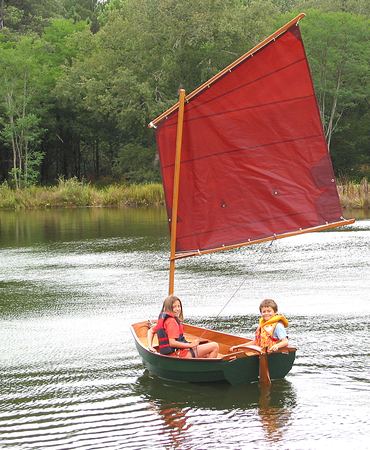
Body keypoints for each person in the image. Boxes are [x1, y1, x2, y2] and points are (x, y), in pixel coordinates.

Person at [147, 295, 219, 358]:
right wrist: (190, 345)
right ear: (168, 308)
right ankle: (206, 372)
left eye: (179, 306)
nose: (178, 309)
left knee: (206, 355)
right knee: (215, 346)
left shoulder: (164, 320)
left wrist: (150, 346)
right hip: (177, 354)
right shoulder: (172, 322)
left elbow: (150, 331)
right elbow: (172, 343)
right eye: (174, 307)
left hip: (170, 354)